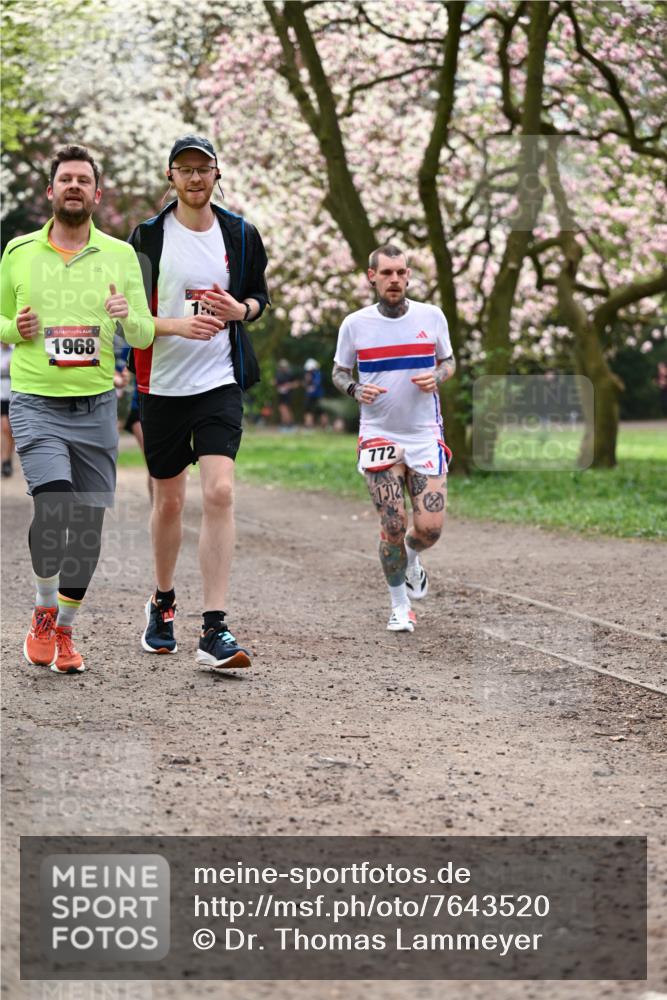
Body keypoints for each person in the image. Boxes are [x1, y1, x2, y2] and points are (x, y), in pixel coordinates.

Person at [0, 144, 155, 673]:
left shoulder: (121, 255)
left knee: (87, 526)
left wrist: (126, 315)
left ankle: (65, 630)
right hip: (36, 401)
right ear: (50, 191)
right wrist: (13, 328)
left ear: (97, 193)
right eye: (65, 178)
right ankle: (44, 611)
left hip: (95, 407)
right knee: (54, 506)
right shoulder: (19, 251)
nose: (74, 186)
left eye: (83, 180)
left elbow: (143, 332)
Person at [129, 135, 269, 670]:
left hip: (218, 381)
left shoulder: (240, 233)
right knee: (169, 502)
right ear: (170, 177)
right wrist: (177, 326)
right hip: (162, 384)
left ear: (216, 175)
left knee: (220, 492)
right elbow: (131, 319)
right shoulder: (147, 238)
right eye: (184, 169)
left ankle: (214, 628)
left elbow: (258, 297)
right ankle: (162, 602)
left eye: (203, 168)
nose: (194, 177)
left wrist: (241, 310)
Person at [332, 244, 455, 632]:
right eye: (386, 273)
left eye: (401, 272)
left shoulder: (431, 316)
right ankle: (400, 606)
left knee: (430, 529)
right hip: (378, 435)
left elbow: (449, 361)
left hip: (424, 433)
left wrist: (438, 376)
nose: (395, 280)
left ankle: (411, 559)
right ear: (372, 277)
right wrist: (355, 389)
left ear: (409, 276)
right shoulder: (355, 324)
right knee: (393, 524)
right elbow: (339, 371)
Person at [1, 343, 14, 476]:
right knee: (4, 429)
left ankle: (7, 461)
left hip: (11, 396)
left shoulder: (14, 352)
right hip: (1, 397)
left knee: (9, 431)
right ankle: (4, 459)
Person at [274, 358, 299, 430]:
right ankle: (285, 424)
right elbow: (276, 382)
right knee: (282, 408)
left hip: (288, 394)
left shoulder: (290, 374)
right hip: (281, 394)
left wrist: (289, 385)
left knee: (285, 409)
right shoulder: (279, 374)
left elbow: (296, 384)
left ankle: (289, 424)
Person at [303, 358, 328, 429]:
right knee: (308, 409)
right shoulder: (309, 374)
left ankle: (324, 425)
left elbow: (316, 383)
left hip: (318, 395)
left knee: (321, 410)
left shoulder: (317, 373)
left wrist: (311, 386)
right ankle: (308, 424)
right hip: (310, 395)